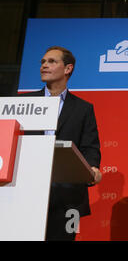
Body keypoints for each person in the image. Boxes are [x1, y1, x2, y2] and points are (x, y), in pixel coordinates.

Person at [19, 46, 102, 241]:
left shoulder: (83, 109)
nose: (44, 66)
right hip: (25, 192)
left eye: (51, 61)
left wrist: (92, 168)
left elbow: (90, 146)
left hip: (68, 196)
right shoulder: (22, 102)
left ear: (68, 69)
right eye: (42, 62)